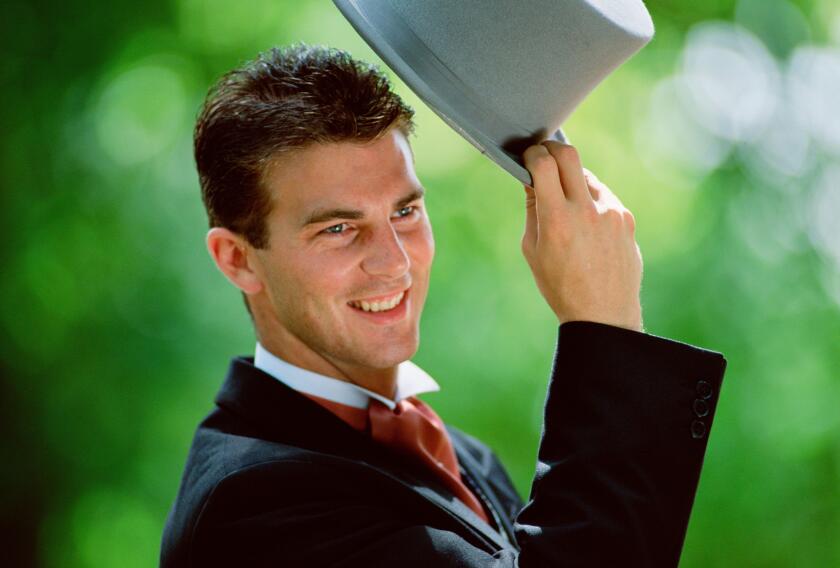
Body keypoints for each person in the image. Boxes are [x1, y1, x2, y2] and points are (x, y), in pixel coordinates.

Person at [161, 43, 727, 567]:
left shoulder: (466, 458)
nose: (395, 263)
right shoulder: (250, 504)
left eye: (405, 213)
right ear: (237, 259)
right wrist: (604, 330)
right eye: (338, 228)